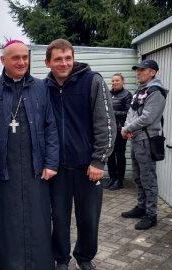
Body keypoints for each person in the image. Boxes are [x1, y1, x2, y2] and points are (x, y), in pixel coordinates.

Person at [0, 40, 59, 270]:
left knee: (39, 220)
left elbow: (51, 126)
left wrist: (51, 162)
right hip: (3, 168)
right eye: (16, 58)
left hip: (36, 167)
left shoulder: (42, 87)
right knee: (7, 222)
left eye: (25, 57)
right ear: (3, 60)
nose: (22, 62)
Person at [43, 39, 115, 270]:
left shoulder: (92, 81)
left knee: (88, 218)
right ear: (48, 62)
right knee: (59, 218)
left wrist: (99, 159)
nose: (64, 63)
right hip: (58, 168)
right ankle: (61, 259)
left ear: (73, 59)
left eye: (68, 58)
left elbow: (106, 123)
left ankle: (84, 258)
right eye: (58, 59)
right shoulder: (44, 88)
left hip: (88, 168)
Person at [120, 59, 168, 230]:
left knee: (148, 178)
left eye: (142, 70)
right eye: (137, 70)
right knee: (138, 177)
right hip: (136, 139)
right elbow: (131, 112)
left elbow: (148, 117)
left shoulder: (156, 91)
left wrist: (127, 128)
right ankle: (141, 207)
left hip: (147, 140)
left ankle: (151, 214)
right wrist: (126, 128)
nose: (138, 72)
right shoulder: (140, 90)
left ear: (152, 73)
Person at [104, 73, 132, 191]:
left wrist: (112, 113)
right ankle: (112, 178)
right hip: (109, 129)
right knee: (109, 155)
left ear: (122, 82)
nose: (114, 83)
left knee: (119, 155)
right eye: (113, 81)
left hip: (120, 130)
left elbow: (128, 113)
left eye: (117, 80)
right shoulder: (109, 94)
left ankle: (119, 180)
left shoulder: (126, 95)